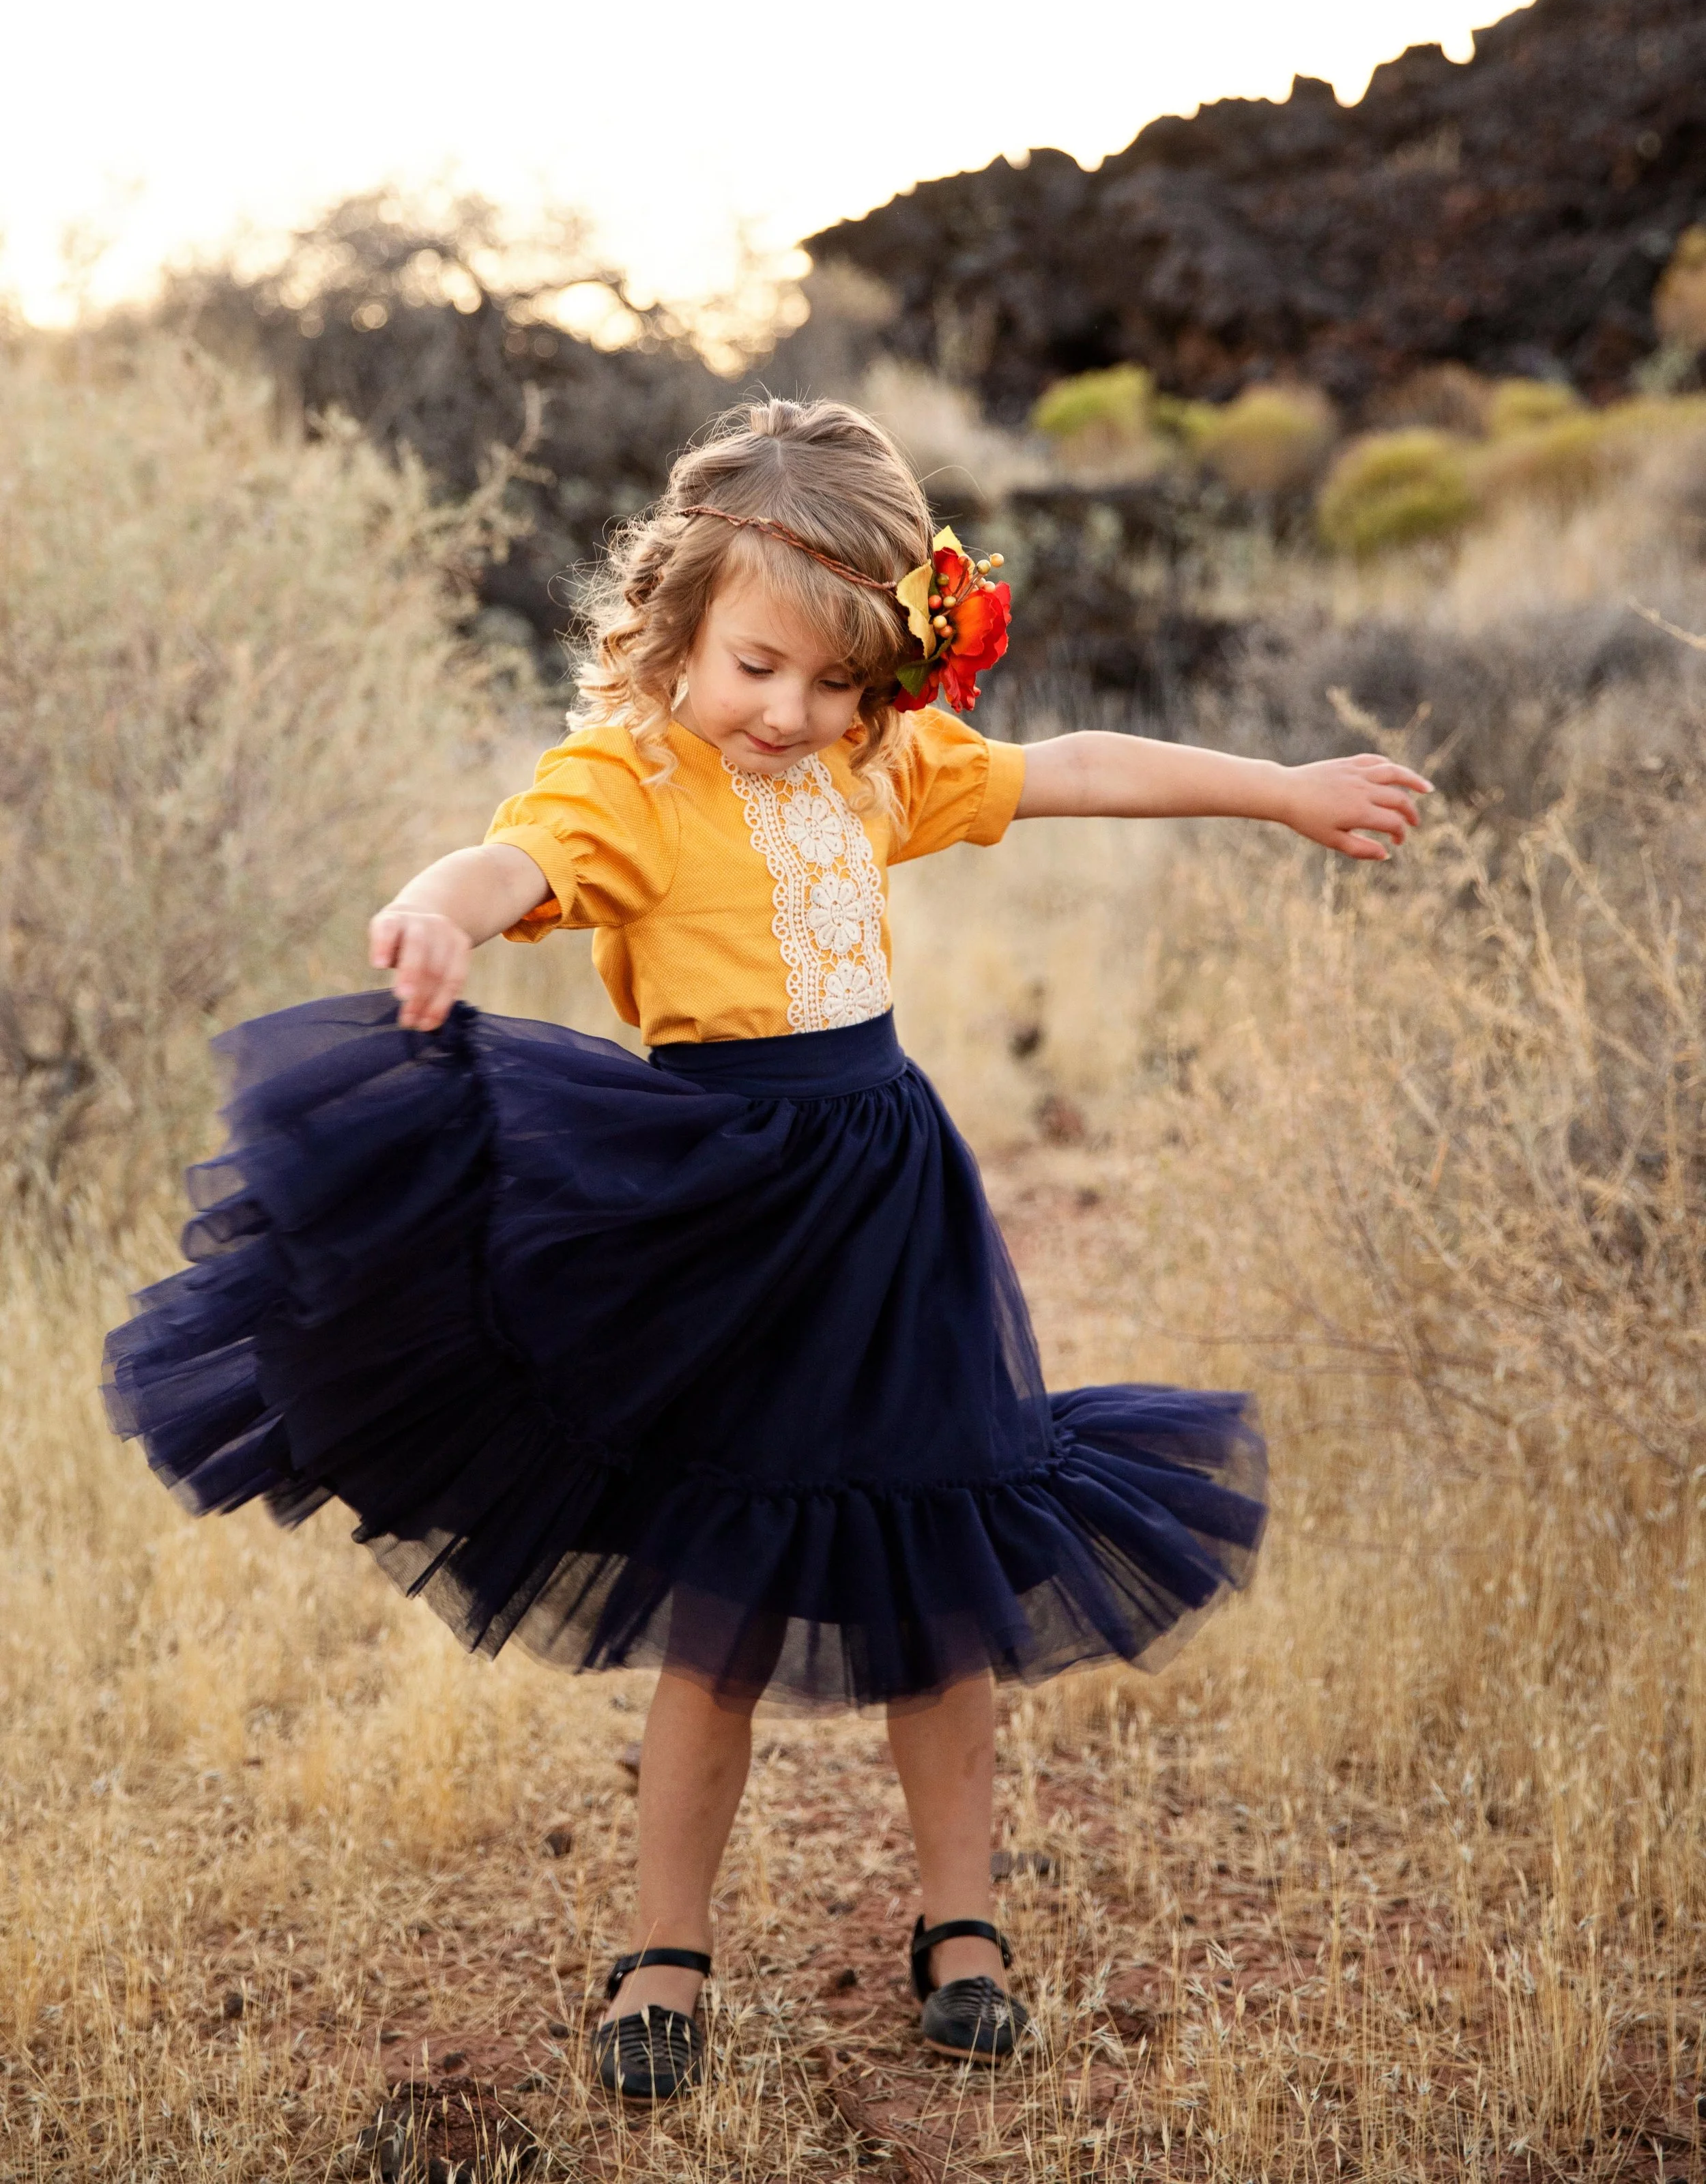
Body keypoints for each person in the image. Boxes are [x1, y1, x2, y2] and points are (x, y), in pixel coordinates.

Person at [104, 398, 1428, 2101]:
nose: (793, 715)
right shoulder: (633, 785)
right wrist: (440, 911)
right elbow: (513, 858)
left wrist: (1281, 793)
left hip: (890, 1209)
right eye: (755, 669)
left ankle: (962, 1927)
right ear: (671, 632)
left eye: (834, 683)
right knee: (715, 1607)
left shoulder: (884, 764)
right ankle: (665, 1947)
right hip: (713, 1218)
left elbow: (1076, 768)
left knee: (948, 1573)